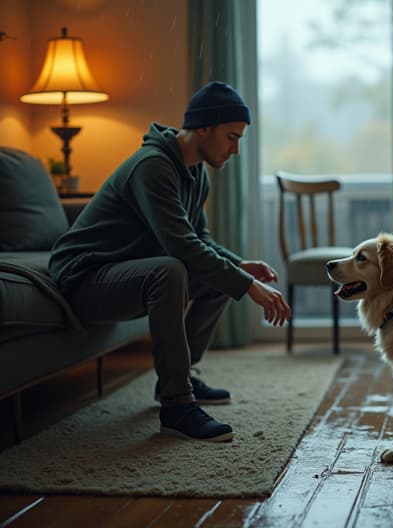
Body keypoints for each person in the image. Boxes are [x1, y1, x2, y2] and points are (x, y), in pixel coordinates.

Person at [49, 81, 291, 442]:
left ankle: (177, 379)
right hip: (83, 277)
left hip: (121, 273)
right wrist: (249, 286)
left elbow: (200, 239)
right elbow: (181, 247)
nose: (235, 149)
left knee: (219, 275)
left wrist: (239, 266)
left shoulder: (196, 173)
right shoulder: (153, 167)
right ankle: (177, 406)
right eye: (232, 137)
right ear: (204, 128)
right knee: (171, 270)